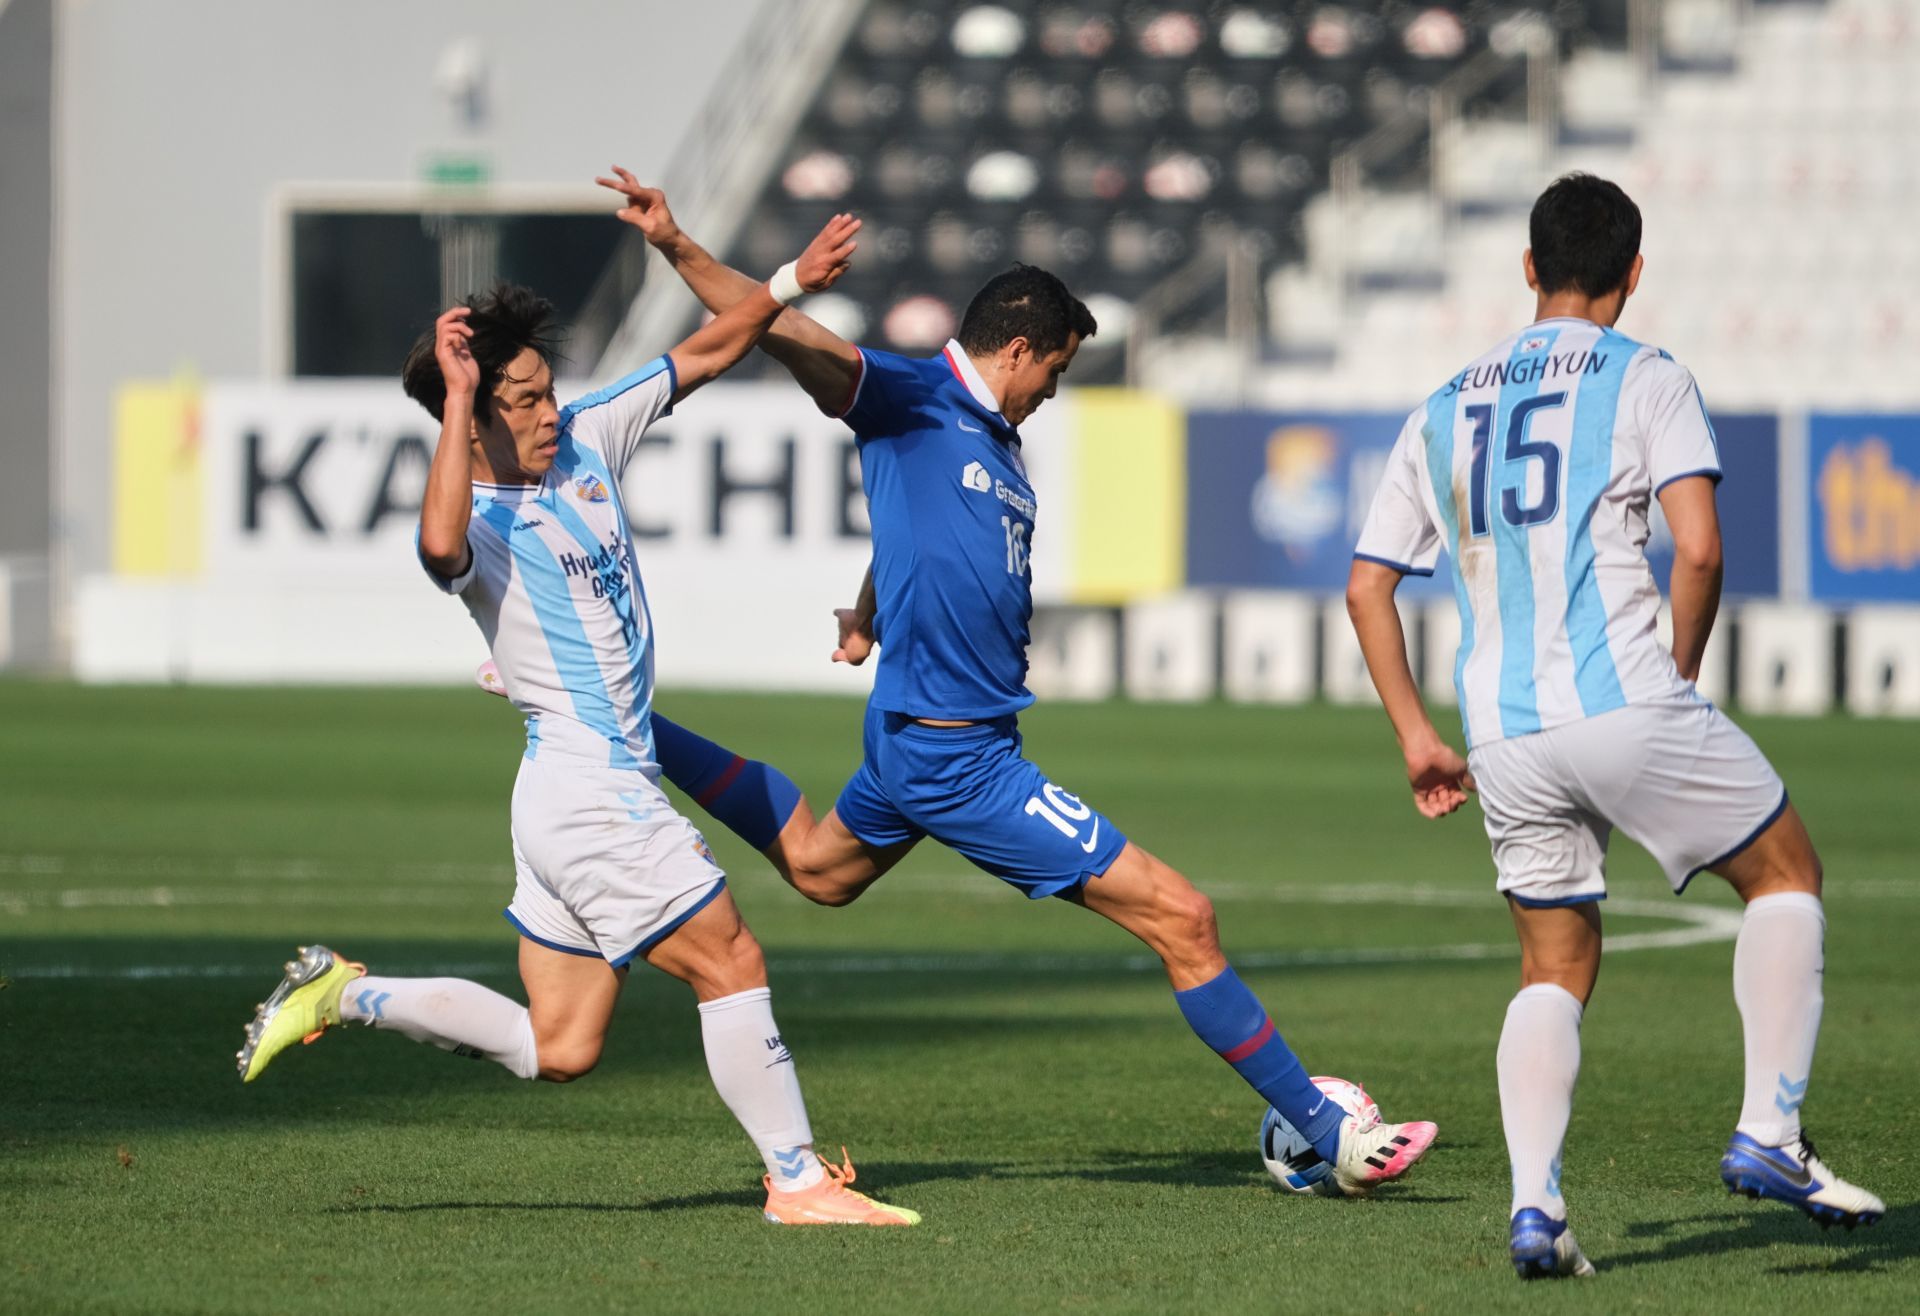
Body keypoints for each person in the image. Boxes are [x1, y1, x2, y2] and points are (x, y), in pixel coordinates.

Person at [580, 165, 1438, 1199]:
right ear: (1019, 347)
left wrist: (869, 609)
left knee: (817, 865)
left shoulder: (993, 443)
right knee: (1185, 916)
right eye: (1057, 371)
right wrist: (686, 248)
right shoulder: (910, 394)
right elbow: (768, 329)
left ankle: (630, 722)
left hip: (914, 739)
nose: (1053, 392)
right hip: (962, 758)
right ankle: (1329, 1136)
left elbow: (924, 536)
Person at [235, 212, 922, 1228]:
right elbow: (433, 555)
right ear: (473, 417)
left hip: (564, 798)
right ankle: (798, 1179)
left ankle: (343, 992)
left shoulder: (590, 438)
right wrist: (461, 401)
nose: (547, 411)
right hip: (590, 794)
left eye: (545, 389)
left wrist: (785, 279)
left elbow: (706, 349)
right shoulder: (477, 515)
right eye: (520, 399)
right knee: (730, 956)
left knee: (560, 1047)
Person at [1344, 172, 1884, 1277]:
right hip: (1624, 694)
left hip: (1501, 730)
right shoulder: (1648, 377)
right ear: (1634, 276)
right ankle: (1770, 1134)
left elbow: (1367, 584)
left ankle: (1536, 1208)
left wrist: (1415, 733)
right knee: (1785, 874)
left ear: (1529, 269)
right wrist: (1675, 677)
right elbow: (1699, 546)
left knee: (1553, 960)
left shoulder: (1443, 401)